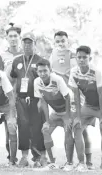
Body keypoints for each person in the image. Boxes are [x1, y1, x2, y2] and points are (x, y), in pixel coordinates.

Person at [49, 31, 91, 170]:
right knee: (71, 129)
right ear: (54, 42)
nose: (61, 44)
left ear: (68, 41)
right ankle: (72, 162)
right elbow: (49, 73)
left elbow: (73, 72)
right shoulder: (53, 54)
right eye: (58, 41)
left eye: (63, 41)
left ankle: (83, 162)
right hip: (61, 98)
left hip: (75, 97)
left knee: (78, 129)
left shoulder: (72, 55)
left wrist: (57, 74)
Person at [10, 32, 46, 167]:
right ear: (21, 44)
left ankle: (38, 157)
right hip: (21, 100)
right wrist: (13, 99)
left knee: (36, 127)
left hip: (36, 99)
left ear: (34, 44)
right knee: (23, 127)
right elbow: (14, 79)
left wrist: (43, 100)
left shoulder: (40, 60)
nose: (27, 45)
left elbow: (44, 81)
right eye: (25, 42)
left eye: (30, 42)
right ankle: (24, 156)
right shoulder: (16, 61)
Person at [34, 59, 73, 170]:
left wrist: (67, 117)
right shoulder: (37, 82)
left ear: (50, 70)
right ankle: (52, 162)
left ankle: (69, 163)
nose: (42, 73)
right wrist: (47, 121)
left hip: (68, 109)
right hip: (56, 112)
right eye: (40, 71)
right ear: (37, 72)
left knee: (68, 131)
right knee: (45, 130)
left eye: (45, 71)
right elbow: (43, 102)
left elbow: (68, 97)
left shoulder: (57, 79)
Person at [69, 46, 102, 171]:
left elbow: (101, 95)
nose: (82, 60)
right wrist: (77, 116)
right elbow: (76, 95)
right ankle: (83, 163)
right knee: (77, 128)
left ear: (90, 58)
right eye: (79, 57)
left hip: (101, 105)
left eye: (85, 57)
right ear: (76, 58)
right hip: (88, 105)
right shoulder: (74, 72)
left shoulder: (97, 72)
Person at [0, 23, 23, 162]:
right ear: (6, 38)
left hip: (24, 97)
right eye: (10, 36)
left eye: (15, 36)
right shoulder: (1, 56)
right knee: (9, 127)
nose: (13, 39)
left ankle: (29, 156)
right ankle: (11, 157)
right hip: (8, 97)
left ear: (20, 37)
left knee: (24, 126)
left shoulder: (26, 53)